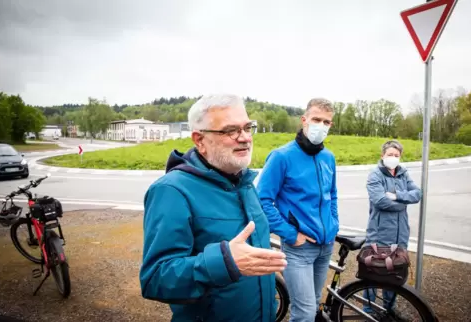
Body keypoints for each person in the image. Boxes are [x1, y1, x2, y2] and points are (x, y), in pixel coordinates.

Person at [139, 94, 287, 322]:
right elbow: (155, 279)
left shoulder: (244, 182)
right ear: (199, 140)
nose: (245, 138)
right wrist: (225, 262)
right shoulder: (172, 191)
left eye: (248, 127)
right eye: (231, 131)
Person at [257, 98, 339, 322]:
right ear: (304, 120)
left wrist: (333, 225)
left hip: (325, 246)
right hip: (298, 250)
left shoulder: (328, 157)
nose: (320, 125)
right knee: (303, 314)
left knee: (312, 307)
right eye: (316, 119)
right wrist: (291, 234)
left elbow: (332, 196)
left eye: (326, 122)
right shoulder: (281, 156)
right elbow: (262, 200)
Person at [362, 139, 422, 315]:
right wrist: (403, 203)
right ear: (383, 155)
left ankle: (389, 308)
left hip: (400, 233)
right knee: (373, 271)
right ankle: (369, 310)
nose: (393, 158)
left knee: (394, 271)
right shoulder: (375, 175)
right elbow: (380, 201)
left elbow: (417, 194)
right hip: (379, 233)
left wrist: (396, 196)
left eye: (396, 155)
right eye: (390, 154)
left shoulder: (403, 174)